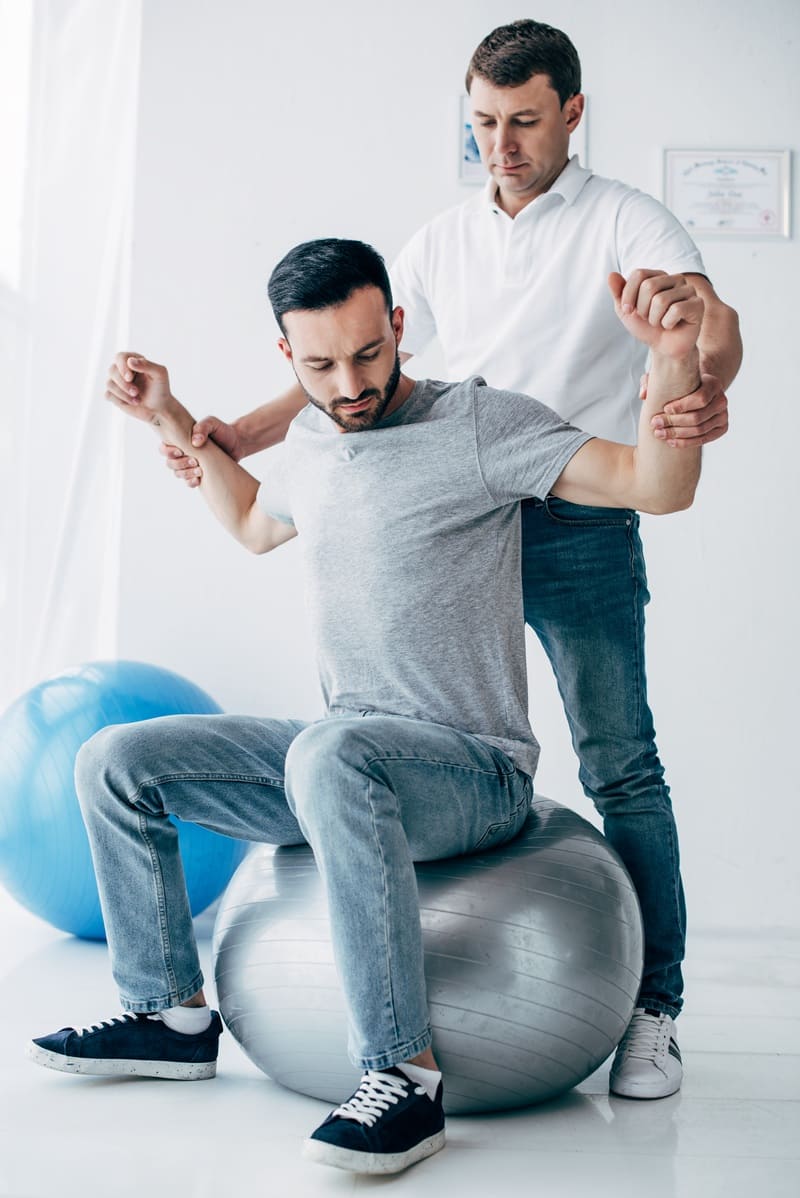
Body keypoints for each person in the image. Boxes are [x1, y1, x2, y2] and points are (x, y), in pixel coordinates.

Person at [28, 238, 702, 1175]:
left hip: (470, 770)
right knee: (115, 759)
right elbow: (256, 524)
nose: (349, 383)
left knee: (329, 755)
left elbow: (656, 486)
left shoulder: (478, 425)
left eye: (368, 354)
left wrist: (669, 357)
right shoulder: (311, 437)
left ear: (397, 328)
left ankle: (404, 1081)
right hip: (343, 758)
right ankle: (170, 1015)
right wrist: (168, 418)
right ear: (286, 358)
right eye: (319, 365)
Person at [162, 19, 742, 1100]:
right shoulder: (436, 241)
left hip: (569, 508)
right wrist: (241, 433)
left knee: (620, 763)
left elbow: (705, 336)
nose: (501, 144)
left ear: (571, 113)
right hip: (439, 506)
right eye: (481, 124)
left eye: (523, 122)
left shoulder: (630, 220)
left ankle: (653, 1006)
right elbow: (354, 353)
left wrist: (693, 356)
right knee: (387, 739)